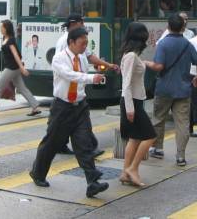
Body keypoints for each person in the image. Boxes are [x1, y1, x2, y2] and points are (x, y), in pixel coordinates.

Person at [29, 27, 109, 198]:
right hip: (62, 108)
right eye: (82, 43)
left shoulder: (82, 58)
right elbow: (70, 75)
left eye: (87, 43)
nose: (84, 47)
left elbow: (82, 78)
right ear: (71, 42)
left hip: (80, 106)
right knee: (51, 143)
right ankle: (38, 173)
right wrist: (90, 78)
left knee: (84, 143)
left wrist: (98, 74)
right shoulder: (59, 58)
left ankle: (92, 182)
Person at [55, 13, 117, 156]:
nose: (83, 25)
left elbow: (89, 56)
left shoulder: (80, 39)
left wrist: (107, 64)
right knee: (67, 124)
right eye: (81, 23)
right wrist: (89, 77)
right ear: (73, 24)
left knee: (72, 122)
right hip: (68, 91)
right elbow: (64, 69)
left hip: (77, 90)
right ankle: (86, 149)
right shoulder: (64, 41)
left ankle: (79, 148)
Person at [147, 14, 197, 167]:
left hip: (164, 89)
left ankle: (158, 148)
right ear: (183, 28)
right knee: (182, 124)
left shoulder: (163, 44)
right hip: (183, 90)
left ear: (168, 26)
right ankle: (180, 156)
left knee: (158, 119)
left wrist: (145, 63)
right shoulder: (187, 44)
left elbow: (158, 66)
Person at [119, 23, 157, 187]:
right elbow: (126, 84)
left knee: (134, 138)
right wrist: (130, 108)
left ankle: (125, 172)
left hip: (136, 101)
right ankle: (133, 168)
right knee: (150, 136)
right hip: (131, 102)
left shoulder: (133, 56)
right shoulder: (131, 57)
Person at [0, 20, 41, 117]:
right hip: (14, 68)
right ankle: (35, 107)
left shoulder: (11, 40)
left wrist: (22, 68)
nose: (0, 29)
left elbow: (16, 55)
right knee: (22, 88)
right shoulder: (5, 38)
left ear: (6, 28)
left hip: (11, 68)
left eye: (2, 27)